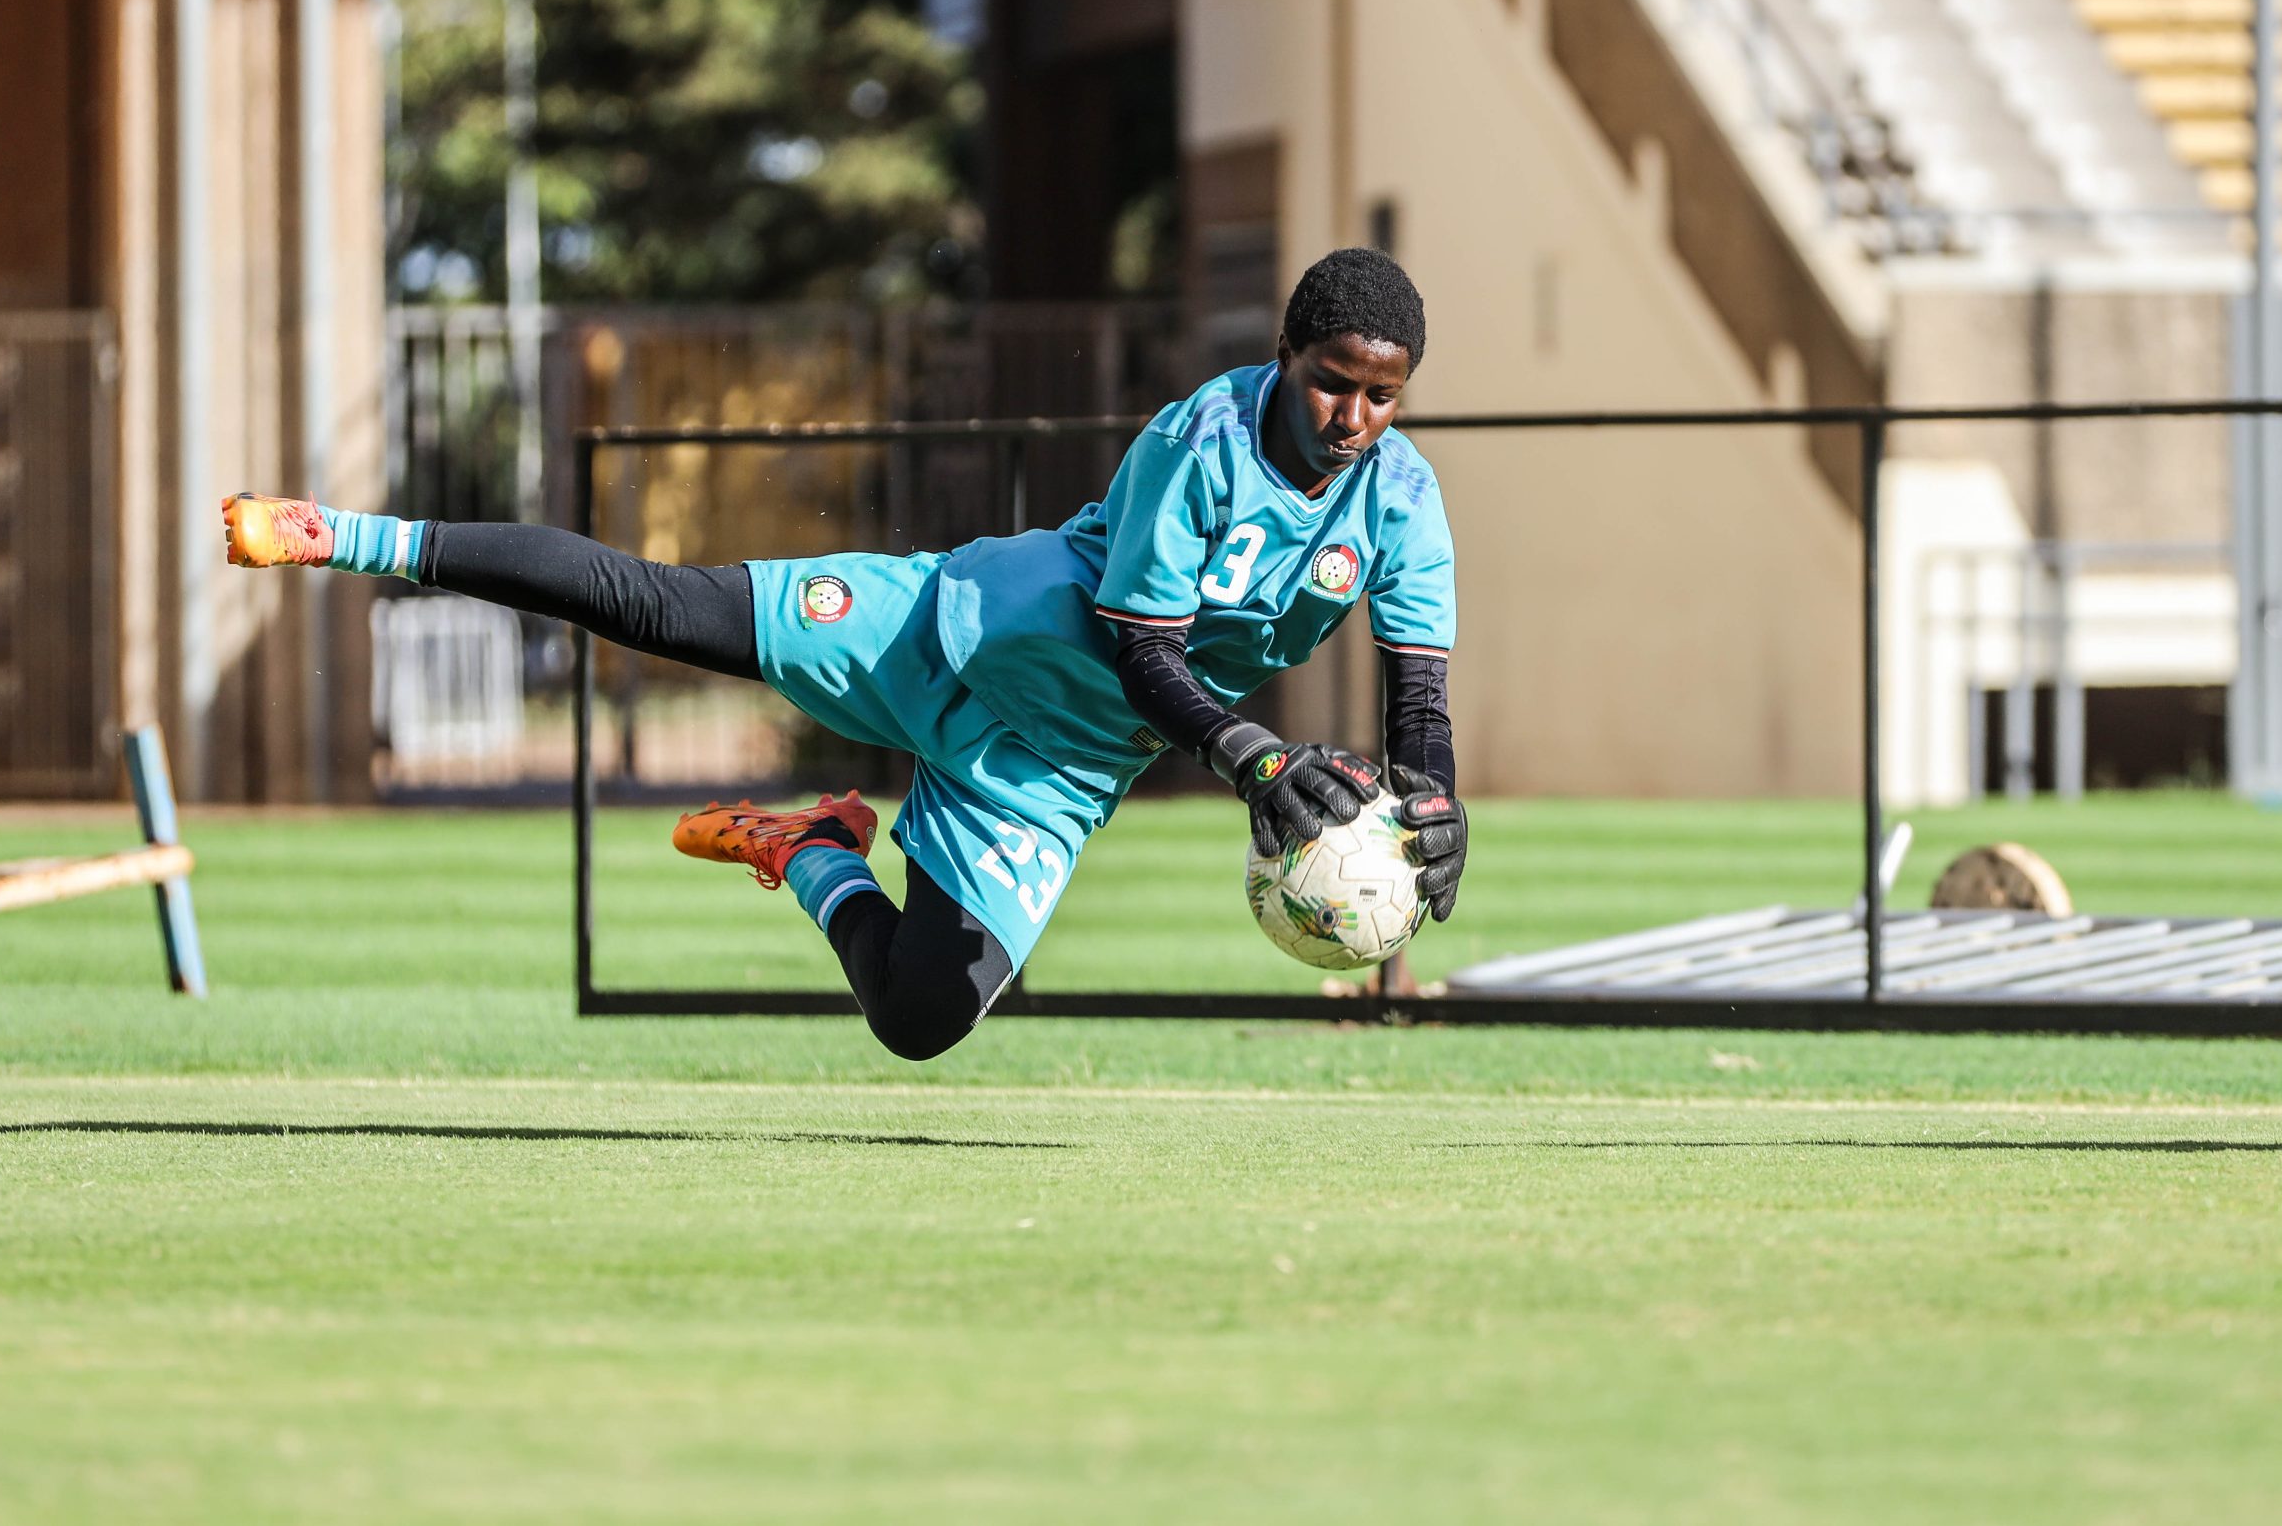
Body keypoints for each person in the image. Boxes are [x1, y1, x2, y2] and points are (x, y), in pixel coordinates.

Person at [222, 246, 1468, 1058]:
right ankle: (343, 534)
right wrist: (1254, 759)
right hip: (949, 629)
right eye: (1331, 383)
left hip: (1055, 768)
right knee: (656, 605)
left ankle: (810, 848)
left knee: (921, 1021)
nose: (1353, 418)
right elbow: (1142, 648)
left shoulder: (1403, 503)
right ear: (1284, 356)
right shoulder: (1198, 442)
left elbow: (1418, 701)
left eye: (1382, 395)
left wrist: (1432, 808)